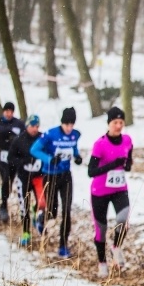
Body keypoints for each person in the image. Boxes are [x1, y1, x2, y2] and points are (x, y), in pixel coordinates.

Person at [30, 107, 82, 258]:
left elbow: (74, 150)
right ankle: (41, 218)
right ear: (62, 123)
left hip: (66, 176)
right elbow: (34, 150)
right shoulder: (51, 134)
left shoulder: (74, 135)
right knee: (52, 211)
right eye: (67, 124)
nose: (69, 128)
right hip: (50, 176)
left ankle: (63, 245)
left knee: (66, 211)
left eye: (72, 124)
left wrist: (78, 158)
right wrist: (49, 159)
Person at [88, 107, 134, 278]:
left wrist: (127, 162)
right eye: (115, 122)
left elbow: (128, 162)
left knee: (123, 220)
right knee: (101, 229)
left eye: (121, 122)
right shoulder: (99, 144)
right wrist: (112, 164)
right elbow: (91, 171)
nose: (118, 125)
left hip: (120, 189)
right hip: (99, 191)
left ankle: (116, 248)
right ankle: (102, 263)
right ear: (109, 123)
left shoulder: (127, 140)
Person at [8, 115, 46, 246]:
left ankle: (36, 213)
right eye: (32, 126)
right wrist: (22, 162)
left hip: (38, 177)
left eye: (37, 126)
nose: (35, 129)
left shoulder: (42, 138)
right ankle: (26, 232)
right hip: (23, 178)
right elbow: (10, 158)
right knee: (24, 206)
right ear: (27, 126)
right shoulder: (19, 140)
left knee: (42, 202)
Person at [0, 102, 26, 223]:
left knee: (9, 180)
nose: (8, 113)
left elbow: (24, 136)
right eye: (6, 111)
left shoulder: (19, 124)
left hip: (14, 156)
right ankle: (3, 206)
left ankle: (8, 205)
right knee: (5, 178)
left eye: (11, 111)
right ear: (3, 111)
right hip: (1, 155)